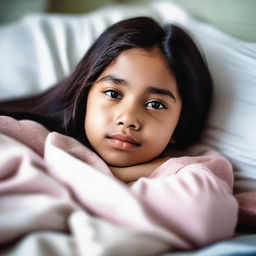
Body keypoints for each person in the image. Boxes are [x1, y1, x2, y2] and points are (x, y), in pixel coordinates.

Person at [0, 16, 238, 249]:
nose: (128, 119)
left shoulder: (187, 170)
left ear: (180, 124)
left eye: (156, 104)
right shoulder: (28, 138)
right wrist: (114, 173)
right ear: (85, 97)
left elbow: (203, 216)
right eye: (113, 94)